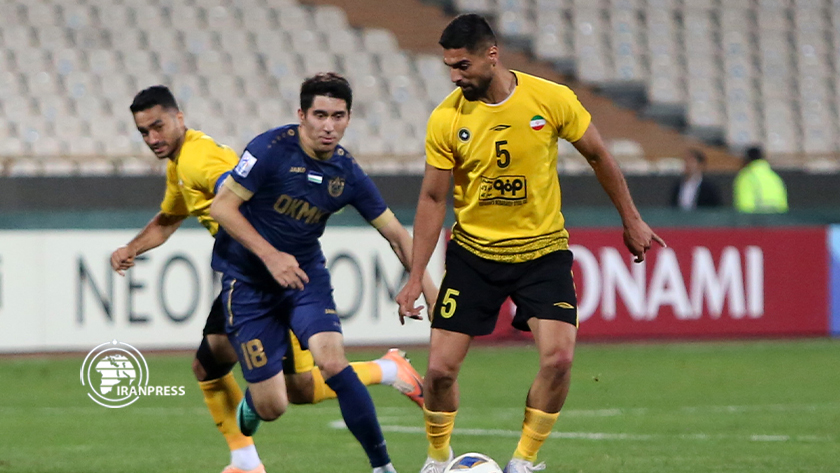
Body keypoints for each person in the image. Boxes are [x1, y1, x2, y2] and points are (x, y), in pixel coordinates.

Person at [395, 14, 665, 473]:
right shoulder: (447, 118)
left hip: (542, 254)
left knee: (559, 359)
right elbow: (433, 197)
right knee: (439, 371)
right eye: (450, 68)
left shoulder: (551, 99)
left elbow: (599, 155)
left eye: (462, 66)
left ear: (491, 56)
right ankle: (437, 459)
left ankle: (524, 461)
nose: (455, 77)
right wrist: (416, 276)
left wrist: (631, 219)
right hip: (475, 256)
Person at [111, 85, 428, 473]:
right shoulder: (181, 164)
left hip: (273, 270)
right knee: (261, 387)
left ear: (179, 118)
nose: (152, 138)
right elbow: (169, 218)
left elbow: (232, 198)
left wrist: (273, 249)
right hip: (248, 273)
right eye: (144, 132)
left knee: (300, 383)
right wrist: (133, 248)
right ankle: (248, 457)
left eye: (158, 126)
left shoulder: (199, 158)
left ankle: (386, 380)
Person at [209, 72, 438, 473]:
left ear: (348, 118)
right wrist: (270, 256)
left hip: (303, 278)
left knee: (332, 362)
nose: (328, 126)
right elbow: (222, 208)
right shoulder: (269, 150)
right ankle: (257, 405)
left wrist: (428, 290)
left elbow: (396, 233)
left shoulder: (347, 172)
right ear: (302, 114)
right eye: (320, 115)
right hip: (247, 283)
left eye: (338, 115)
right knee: (276, 404)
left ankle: (383, 468)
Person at [733, 146, 788, 213]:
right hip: (777, 221)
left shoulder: (746, 176)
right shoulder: (774, 176)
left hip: (756, 220)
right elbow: (783, 206)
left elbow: (744, 206)